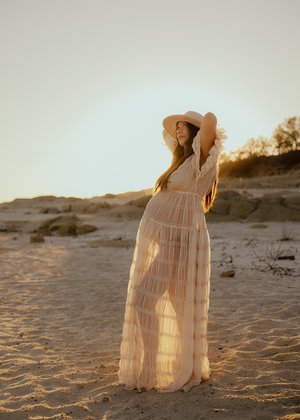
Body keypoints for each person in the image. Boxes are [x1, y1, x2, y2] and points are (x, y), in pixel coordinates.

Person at [117, 110, 228, 393]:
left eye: (183, 127)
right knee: (178, 307)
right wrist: (179, 127)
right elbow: (165, 132)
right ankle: (187, 365)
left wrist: (200, 124)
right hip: (174, 239)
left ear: (196, 131)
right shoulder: (182, 161)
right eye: (176, 127)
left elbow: (212, 120)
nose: (177, 131)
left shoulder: (202, 159)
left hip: (181, 240)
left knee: (145, 300)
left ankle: (151, 367)